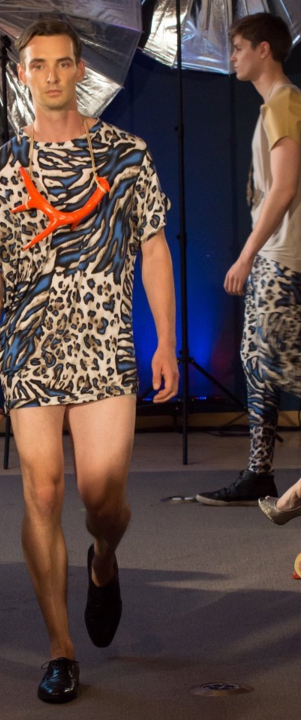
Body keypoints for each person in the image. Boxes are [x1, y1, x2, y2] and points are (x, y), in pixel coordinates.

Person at [0, 17, 178, 704]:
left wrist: (166, 340)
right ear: (23, 74)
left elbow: (153, 248)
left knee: (102, 498)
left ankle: (104, 560)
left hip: (105, 343)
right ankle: (60, 649)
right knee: (41, 491)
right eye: (39, 65)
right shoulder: (0, 166)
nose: (52, 75)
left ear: (80, 70)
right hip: (28, 348)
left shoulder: (125, 154)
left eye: (63, 63)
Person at [197, 13, 301, 508]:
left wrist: (246, 255)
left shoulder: (284, 102)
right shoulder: (274, 106)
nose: (232, 56)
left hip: (283, 255)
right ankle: (259, 472)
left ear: (263, 49)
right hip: (275, 254)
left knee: (274, 362)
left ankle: (260, 472)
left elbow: (284, 187)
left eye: (238, 47)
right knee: (257, 362)